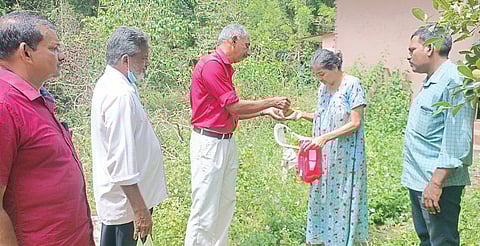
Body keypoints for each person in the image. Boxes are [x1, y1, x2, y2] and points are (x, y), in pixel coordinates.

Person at [185, 23, 290, 246]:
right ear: (232, 40)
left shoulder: (225, 68)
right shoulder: (212, 65)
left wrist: (264, 111)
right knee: (205, 206)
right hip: (209, 143)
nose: (248, 51)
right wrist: (272, 101)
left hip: (225, 140)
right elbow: (234, 107)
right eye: (246, 45)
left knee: (225, 203)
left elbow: (231, 112)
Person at [0, 11, 94, 245]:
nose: (60, 56)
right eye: (53, 49)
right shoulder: (5, 104)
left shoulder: (32, 98)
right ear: (26, 52)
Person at [91, 26, 168, 246]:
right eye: (143, 59)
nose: (146, 65)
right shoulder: (119, 94)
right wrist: (140, 210)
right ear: (126, 60)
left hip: (128, 203)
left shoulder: (119, 85)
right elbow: (121, 160)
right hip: (127, 207)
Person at [285, 49, 368, 245]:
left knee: (342, 196)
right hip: (323, 154)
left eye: (321, 74)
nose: (319, 79)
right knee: (323, 196)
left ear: (335, 67)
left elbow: (355, 123)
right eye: (316, 75)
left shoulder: (352, 85)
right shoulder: (323, 89)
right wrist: (298, 114)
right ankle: (325, 239)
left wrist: (325, 138)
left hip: (346, 154)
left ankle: (342, 240)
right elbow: (323, 117)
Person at [402, 27, 473, 246]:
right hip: (419, 179)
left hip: (437, 184)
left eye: (412, 49)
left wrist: (435, 183)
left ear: (430, 48)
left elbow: (457, 141)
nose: (408, 55)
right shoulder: (433, 80)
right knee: (427, 240)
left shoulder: (454, 81)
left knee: (442, 242)